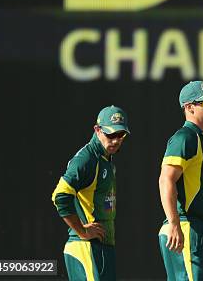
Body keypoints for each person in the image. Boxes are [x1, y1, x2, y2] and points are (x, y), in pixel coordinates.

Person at [52, 105, 130, 280]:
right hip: (86, 247)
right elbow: (60, 196)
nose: (116, 140)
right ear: (97, 130)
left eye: (121, 135)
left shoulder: (106, 159)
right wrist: (81, 231)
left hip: (100, 248)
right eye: (111, 134)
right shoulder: (86, 160)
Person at [158, 81, 203, 281]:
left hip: (197, 227)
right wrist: (174, 223)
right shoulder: (185, 137)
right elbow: (165, 180)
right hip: (185, 226)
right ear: (189, 108)